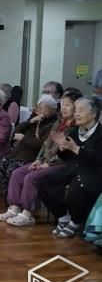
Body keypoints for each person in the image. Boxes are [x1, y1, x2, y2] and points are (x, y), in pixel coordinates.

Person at [0, 90, 82, 227]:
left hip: (60, 163)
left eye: (68, 105)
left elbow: (67, 153)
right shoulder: (60, 121)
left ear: (76, 107)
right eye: (62, 104)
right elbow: (46, 144)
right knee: (17, 173)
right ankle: (14, 208)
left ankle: (27, 214)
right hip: (46, 160)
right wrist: (39, 159)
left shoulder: (76, 127)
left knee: (31, 177)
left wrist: (49, 163)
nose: (63, 108)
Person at [41, 96, 102, 238]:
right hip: (73, 168)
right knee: (42, 180)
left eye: (81, 110)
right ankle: (63, 216)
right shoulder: (75, 131)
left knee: (76, 189)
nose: (76, 114)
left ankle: (75, 221)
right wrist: (62, 148)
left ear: (93, 114)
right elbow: (67, 158)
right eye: (76, 111)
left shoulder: (100, 134)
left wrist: (76, 149)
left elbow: (98, 160)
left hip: (93, 172)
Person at [0, 94, 58, 198]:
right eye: (39, 107)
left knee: (11, 170)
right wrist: (30, 122)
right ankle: (10, 197)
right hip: (19, 153)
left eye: (43, 108)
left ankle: (17, 198)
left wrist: (24, 138)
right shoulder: (35, 118)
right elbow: (16, 131)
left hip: (31, 156)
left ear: (52, 110)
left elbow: (42, 145)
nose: (40, 110)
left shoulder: (53, 124)